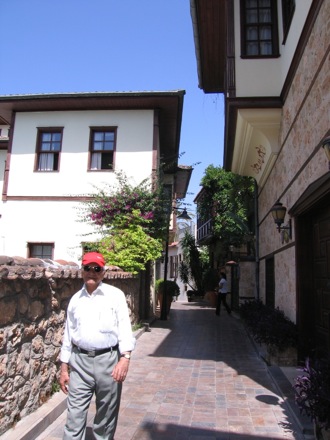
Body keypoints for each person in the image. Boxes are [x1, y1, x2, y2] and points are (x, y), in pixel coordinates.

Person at [59, 252, 136, 440]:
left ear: (103, 272)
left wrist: (124, 359)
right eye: (88, 268)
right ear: (81, 271)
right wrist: (63, 368)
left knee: (106, 417)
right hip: (79, 364)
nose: (92, 273)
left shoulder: (115, 296)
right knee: (74, 416)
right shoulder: (75, 300)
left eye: (97, 269)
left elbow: (125, 328)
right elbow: (68, 335)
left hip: (108, 362)